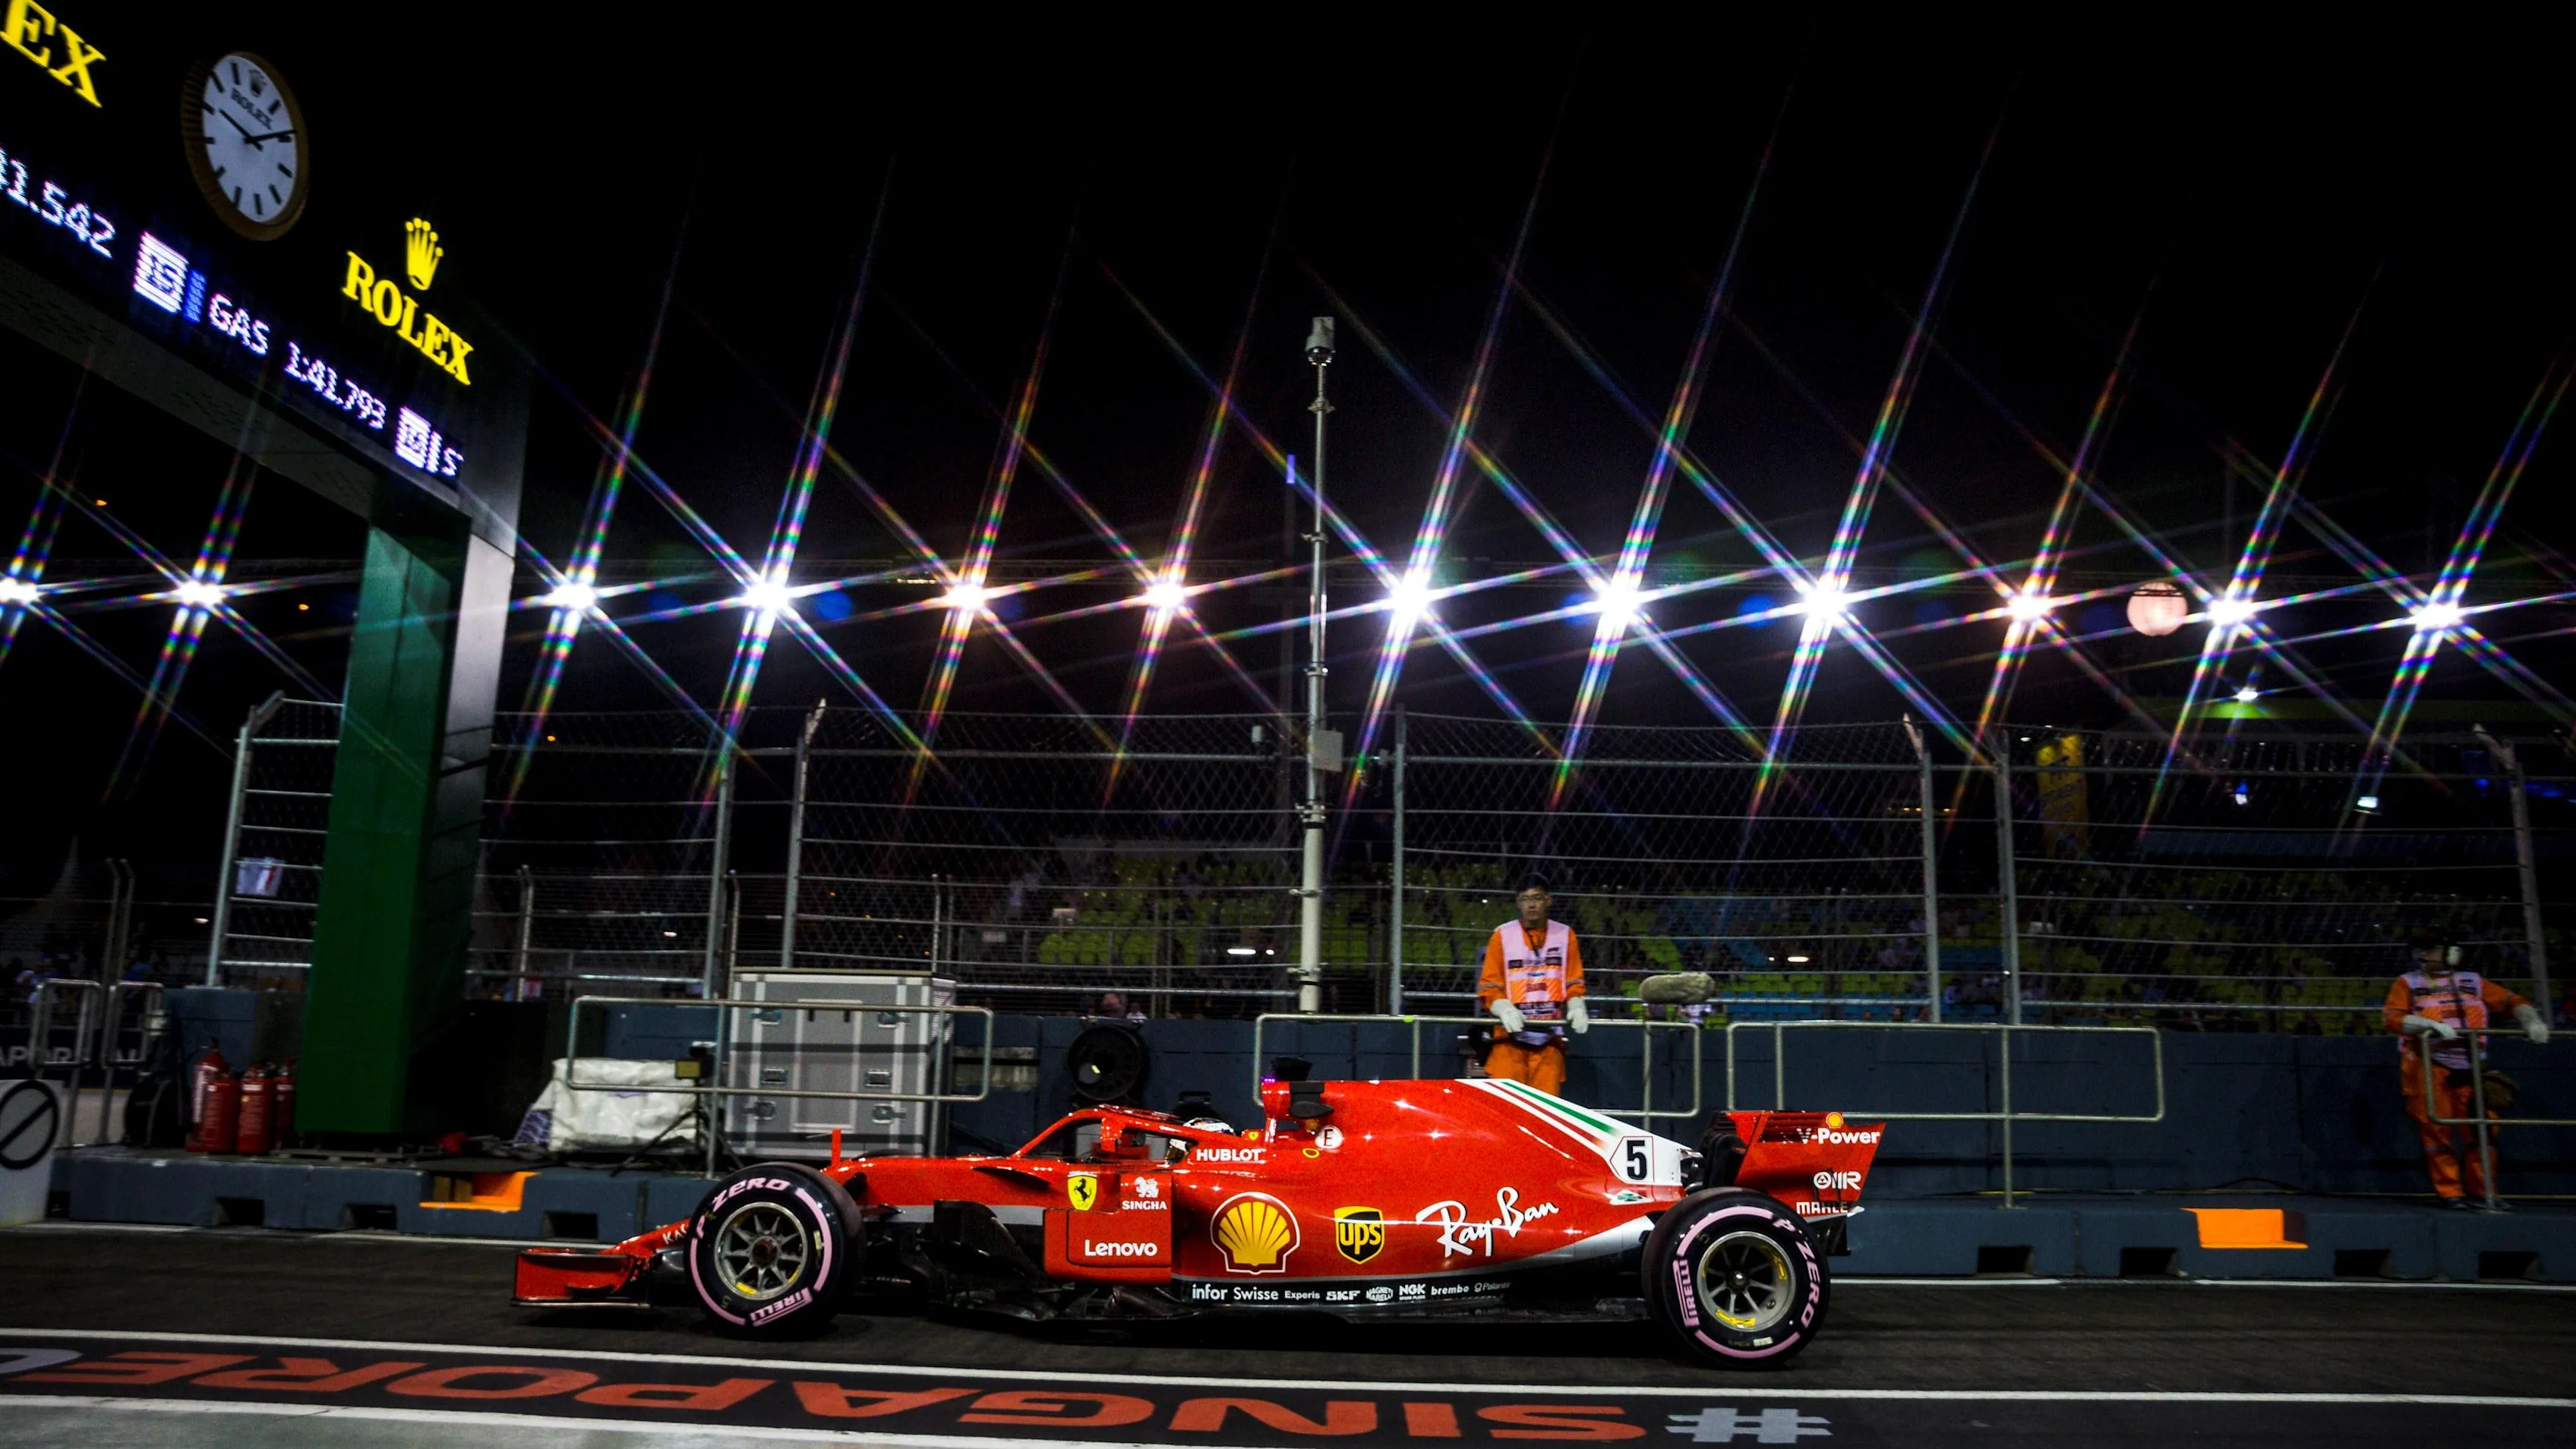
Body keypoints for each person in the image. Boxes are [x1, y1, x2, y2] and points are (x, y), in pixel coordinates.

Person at [2383, 928, 2549, 1208]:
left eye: (2432, 949)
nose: (2424, 955)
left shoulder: (2473, 981)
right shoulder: (2407, 983)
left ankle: (2484, 1192)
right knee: (2436, 1131)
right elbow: (2392, 1018)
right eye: (2422, 951)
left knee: (2483, 1131)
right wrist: (2428, 1024)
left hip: (2472, 1067)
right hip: (2429, 1067)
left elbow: (2511, 1001)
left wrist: (2531, 1019)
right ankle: (2451, 1193)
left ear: (2452, 953)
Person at [1477, 875, 1588, 1095]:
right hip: (1508, 1038)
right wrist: (1505, 1009)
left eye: (1537, 898)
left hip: (1549, 1039)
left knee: (1545, 1112)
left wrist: (1577, 1005)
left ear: (1549, 900)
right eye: (1525, 899)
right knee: (1506, 1108)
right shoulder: (1502, 935)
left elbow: (1574, 982)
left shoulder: (1566, 935)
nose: (1531, 904)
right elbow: (1489, 985)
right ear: (1518, 902)